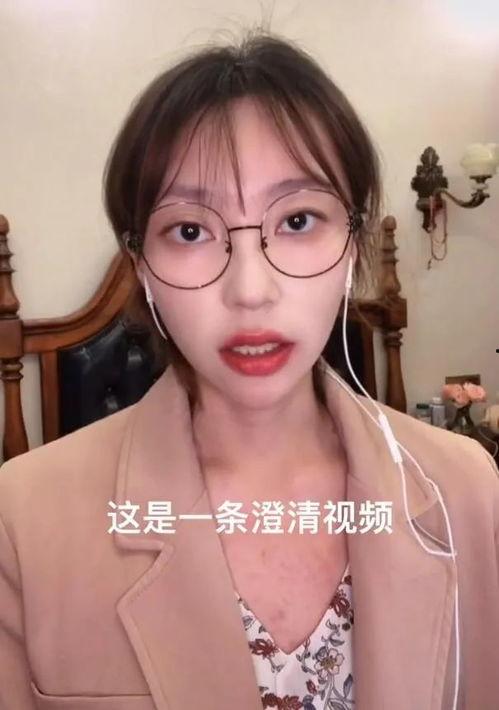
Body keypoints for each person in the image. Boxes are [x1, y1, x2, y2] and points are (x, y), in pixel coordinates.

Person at [1, 30, 499, 710]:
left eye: (297, 219)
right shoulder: (25, 519)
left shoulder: (464, 489)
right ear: (141, 264)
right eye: (189, 231)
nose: (250, 291)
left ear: (353, 244)